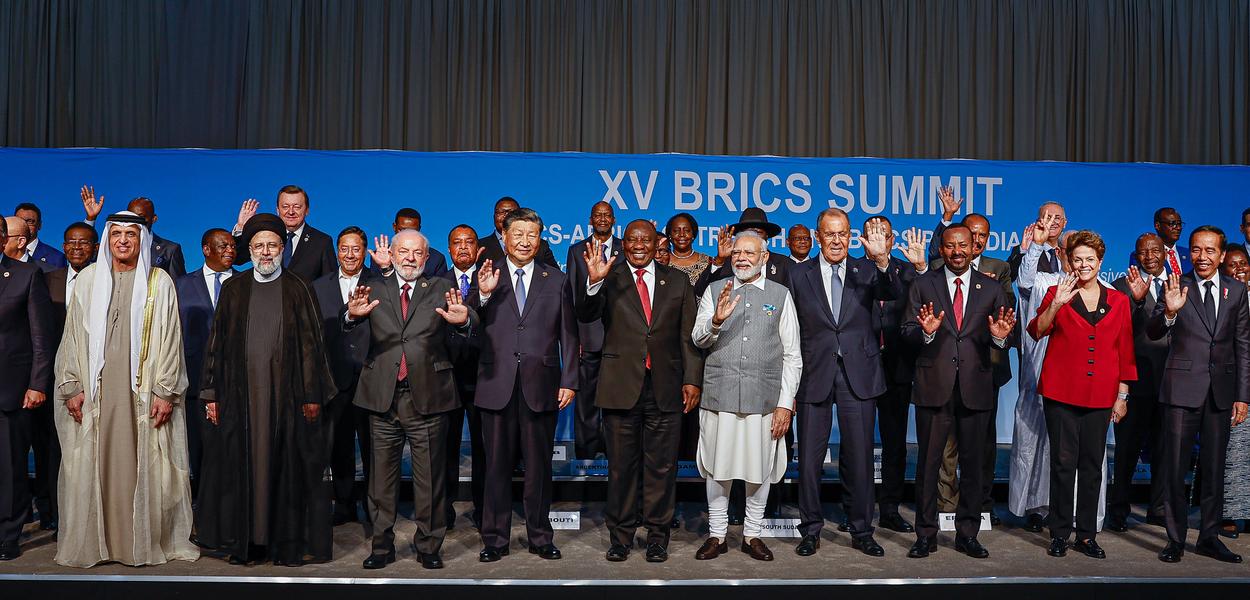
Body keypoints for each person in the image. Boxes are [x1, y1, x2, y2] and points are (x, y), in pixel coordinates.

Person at [53, 211, 197, 567]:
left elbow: (170, 341)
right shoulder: (88, 280)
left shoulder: (158, 282)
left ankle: (139, 541)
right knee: (94, 463)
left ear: (142, 240)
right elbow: (72, 338)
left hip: (143, 392)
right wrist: (71, 384)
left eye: (130, 235)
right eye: (116, 234)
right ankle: (98, 543)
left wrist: (165, 390)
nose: (122, 241)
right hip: (98, 391)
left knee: (144, 463)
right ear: (107, 240)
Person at [193, 213, 336, 566]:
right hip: (240, 398)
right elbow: (217, 344)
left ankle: (281, 542)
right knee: (240, 467)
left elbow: (312, 346)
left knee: (286, 468)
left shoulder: (300, 286)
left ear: (283, 249)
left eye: (273, 245)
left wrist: (312, 395)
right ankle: (245, 541)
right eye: (259, 246)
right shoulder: (234, 288)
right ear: (250, 250)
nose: (266, 252)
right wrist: (210, 393)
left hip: (288, 398)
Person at [345, 228, 478, 570]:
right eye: (403, 251)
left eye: (417, 253)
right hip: (382, 396)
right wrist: (350, 318)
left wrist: (464, 323)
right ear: (393, 253)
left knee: (430, 480)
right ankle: (381, 545)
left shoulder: (439, 286)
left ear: (427, 257)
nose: (410, 258)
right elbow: (351, 337)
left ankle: (429, 545)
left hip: (429, 397)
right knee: (380, 482)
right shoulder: (372, 286)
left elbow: (466, 318)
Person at [579, 220, 703, 563]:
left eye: (645, 240)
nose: (637, 245)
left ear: (655, 243)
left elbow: (688, 336)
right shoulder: (609, 277)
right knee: (621, 467)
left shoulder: (677, 280)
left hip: (665, 387)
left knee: (662, 468)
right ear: (624, 242)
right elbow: (586, 313)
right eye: (631, 239)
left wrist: (692, 380)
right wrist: (593, 281)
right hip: (621, 387)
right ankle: (620, 537)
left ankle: (658, 537)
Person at [788, 210, 905, 557]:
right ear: (818, 235)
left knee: (860, 457)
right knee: (809, 459)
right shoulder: (797, 274)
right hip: (814, 372)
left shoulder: (867, 270)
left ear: (851, 236)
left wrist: (883, 259)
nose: (837, 240)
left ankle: (861, 529)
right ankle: (810, 529)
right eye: (830, 234)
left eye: (843, 234)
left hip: (860, 374)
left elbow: (892, 290)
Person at [901, 224, 1015, 559]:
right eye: (950, 246)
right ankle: (926, 534)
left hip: (976, 387)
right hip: (933, 386)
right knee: (928, 465)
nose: (957, 251)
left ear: (974, 247)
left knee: (974, 464)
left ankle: (968, 534)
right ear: (942, 249)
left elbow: (1005, 334)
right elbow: (906, 331)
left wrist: (997, 338)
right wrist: (926, 334)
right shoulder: (923, 284)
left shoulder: (992, 288)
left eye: (963, 245)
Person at [471, 207, 578, 562]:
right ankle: (495, 539)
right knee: (496, 468)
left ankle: (540, 536)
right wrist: (483, 296)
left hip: (541, 385)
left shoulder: (556, 278)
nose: (525, 242)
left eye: (532, 235)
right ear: (504, 236)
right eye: (518, 234)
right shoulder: (486, 274)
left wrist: (569, 379)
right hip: (496, 382)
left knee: (539, 468)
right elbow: (468, 321)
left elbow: (569, 334)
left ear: (540, 239)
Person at [691, 231, 801, 561]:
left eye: (749, 253)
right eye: (737, 252)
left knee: (760, 469)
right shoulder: (714, 290)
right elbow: (698, 338)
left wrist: (785, 403)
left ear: (764, 257)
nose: (741, 257)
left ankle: (753, 534)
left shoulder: (781, 295)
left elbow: (792, 355)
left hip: (764, 400)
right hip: (720, 396)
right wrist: (715, 320)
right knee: (717, 468)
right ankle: (717, 534)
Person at [1027, 230, 1136, 559]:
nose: (1084, 265)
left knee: (1092, 466)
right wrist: (1056, 304)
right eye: (1078, 260)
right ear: (1069, 262)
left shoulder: (1118, 300)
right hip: (1061, 393)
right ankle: (1059, 532)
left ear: (1100, 262)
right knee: (1062, 463)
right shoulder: (1056, 292)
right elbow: (1037, 330)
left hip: (1102, 395)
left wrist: (1122, 395)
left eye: (1090, 260)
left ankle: (1086, 535)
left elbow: (1125, 351)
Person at [1149, 225, 1250, 563]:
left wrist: (1243, 395)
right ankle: (1175, 539)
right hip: (1181, 390)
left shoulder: (1236, 292)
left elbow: (1243, 347)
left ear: (1222, 255)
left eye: (1209, 251)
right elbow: (1151, 330)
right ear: (1188, 253)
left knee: (1214, 468)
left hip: (1221, 393)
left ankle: (1209, 536)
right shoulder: (1177, 285)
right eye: (1196, 250)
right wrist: (1170, 311)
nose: (1202, 257)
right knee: (1175, 469)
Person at [928, 188, 1016, 526]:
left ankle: (980, 502)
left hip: (984, 367)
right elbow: (935, 254)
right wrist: (946, 220)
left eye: (981, 236)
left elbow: (1006, 309)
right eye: (969, 236)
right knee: (946, 443)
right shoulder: (942, 262)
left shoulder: (999, 269)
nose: (974, 242)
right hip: (945, 368)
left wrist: (989, 288)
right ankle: (947, 505)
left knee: (982, 442)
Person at [1011, 216, 1081, 532]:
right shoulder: (1045, 281)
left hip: (1079, 379)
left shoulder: (1099, 288)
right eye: (1072, 251)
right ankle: (1036, 507)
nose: (1077, 259)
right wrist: (1037, 245)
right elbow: (1024, 281)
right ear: (1061, 253)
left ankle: (1072, 508)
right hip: (1040, 373)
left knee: (1071, 446)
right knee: (1036, 443)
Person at [30, 222, 96, 532]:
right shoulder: (45, 280)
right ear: (63, 246)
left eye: (84, 243)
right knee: (51, 448)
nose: (77, 248)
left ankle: (91, 515)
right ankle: (54, 515)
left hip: (96, 376)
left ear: (95, 248)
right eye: (71, 242)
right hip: (54, 376)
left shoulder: (105, 280)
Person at [311, 226, 374, 525]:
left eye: (356, 249)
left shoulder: (380, 282)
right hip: (334, 378)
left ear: (364, 252)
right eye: (344, 248)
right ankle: (345, 505)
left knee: (376, 448)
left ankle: (376, 508)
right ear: (337, 251)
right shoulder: (319, 286)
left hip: (372, 378)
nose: (350, 254)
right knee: (340, 447)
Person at [1108, 234, 1170, 531]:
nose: (1149, 256)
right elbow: (1117, 329)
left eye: (1155, 250)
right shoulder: (1122, 285)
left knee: (1164, 449)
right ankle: (1119, 510)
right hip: (1134, 380)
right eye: (1143, 252)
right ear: (1135, 255)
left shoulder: (1179, 284)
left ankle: (1158, 509)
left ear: (1165, 253)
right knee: (1126, 451)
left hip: (1172, 382)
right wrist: (1137, 300)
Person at [870, 219, 928, 535]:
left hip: (898, 367)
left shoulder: (910, 271)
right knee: (856, 444)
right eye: (872, 235)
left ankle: (890, 509)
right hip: (860, 370)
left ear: (892, 239)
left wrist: (921, 269)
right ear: (863, 239)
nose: (879, 240)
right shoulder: (852, 271)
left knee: (895, 444)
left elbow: (931, 296)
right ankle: (861, 509)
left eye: (884, 235)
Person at [0, 216, 52, 561]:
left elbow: (40, 336)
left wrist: (37, 383)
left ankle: (7, 534)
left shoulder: (25, 275)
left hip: (10, 389)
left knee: (9, 469)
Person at [174, 228, 237, 482]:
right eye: (223, 246)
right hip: (194, 382)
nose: (230, 251)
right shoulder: (181, 285)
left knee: (233, 453)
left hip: (237, 382)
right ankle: (201, 511)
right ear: (206, 249)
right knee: (198, 454)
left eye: (233, 246)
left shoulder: (247, 283)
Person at [565, 201, 624, 460]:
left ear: (614, 220)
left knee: (616, 400)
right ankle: (586, 454)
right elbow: (572, 295)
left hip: (620, 337)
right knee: (587, 400)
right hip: (588, 336)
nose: (602, 219)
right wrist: (574, 336)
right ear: (590, 220)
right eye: (598, 215)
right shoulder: (576, 250)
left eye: (607, 215)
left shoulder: (626, 248)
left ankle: (615, 451)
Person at [441, 224, 487, 529]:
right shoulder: (436, 283)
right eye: (457, 243)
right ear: (449, 248)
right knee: (445, 449)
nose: (463, 248)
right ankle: (442, 511)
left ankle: (486, 510)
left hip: (486, 377)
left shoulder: (492, 282)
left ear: (478, 248)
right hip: (447, 379)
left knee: (486, 450)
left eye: (469, 242)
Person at [230, 186, 336, 283]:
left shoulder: (322, 242)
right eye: (285, 206)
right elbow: (237, 259)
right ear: (277, 210)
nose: (290, 212)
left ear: (307, 210)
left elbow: (330, 283)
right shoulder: (264, 237)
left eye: (297, 207)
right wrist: (241, 228)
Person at [80, 189, 187, 278]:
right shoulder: (115, 245)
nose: (135, 221)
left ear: (154, 219)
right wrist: (91, 218)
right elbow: (87, 255)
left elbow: (178, 287)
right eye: (131, 216)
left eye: (140, 217)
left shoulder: (169, 250)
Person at [1220, 244, 1250, 538]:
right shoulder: (1223, 297)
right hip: (1231, 382)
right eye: (1232, 265)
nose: (1239, 269)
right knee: (1233, 452)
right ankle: (1229, 514)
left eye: (1243, 264)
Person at [705, 208, 792, 292]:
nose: (752, 236)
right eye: (747, 232)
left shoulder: (785, 264)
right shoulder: (729, 262)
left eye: (758, 232)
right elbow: (701, 291)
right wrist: (720, 260)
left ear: (767, 236)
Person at [478, 196, 558, 268]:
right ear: (494, 216)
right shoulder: (480, 246)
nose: (506, 216)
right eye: (501, 212)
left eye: (511, 212)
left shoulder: (541, 245)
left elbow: (555, 276)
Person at [391, 208, 449, 278]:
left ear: (419, 229)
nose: (407, 234)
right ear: (394, 227)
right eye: (403, 230)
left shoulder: (436, 259)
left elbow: (440, 287)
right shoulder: (377, 258)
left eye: (413, 231)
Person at [1131, 208, 1190, 276]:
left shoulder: (1188, 253)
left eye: (1179, 224)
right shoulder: (1141, 256)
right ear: (1158, 226)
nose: (1178, 228)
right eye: (1172, 224)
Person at [665, 212, 712, 288]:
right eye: (676, 231)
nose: (682, 234)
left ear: (693, 234)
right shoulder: (662, 261)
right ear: (669, 235)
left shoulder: (707, 261)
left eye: (687, 230)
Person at [13, 202, 65, 270]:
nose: (24, 225)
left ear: (39, 225)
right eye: (20, 221)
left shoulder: (56, 257)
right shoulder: (5, 252)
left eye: (30, 221)